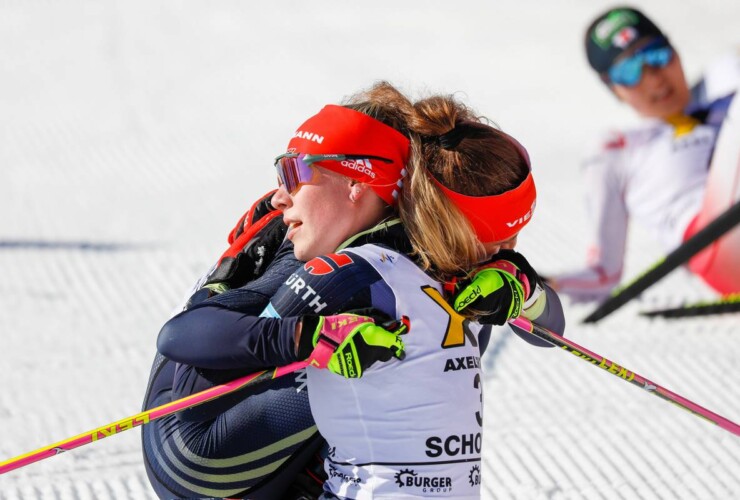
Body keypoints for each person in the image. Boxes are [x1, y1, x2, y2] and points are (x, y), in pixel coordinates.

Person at [154, 82, 565, 499]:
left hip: (239, 450)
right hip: (189, 439)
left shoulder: (409, 250)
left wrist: (521, 286)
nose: (281, 195)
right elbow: (179, 336)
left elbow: (553, 327)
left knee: (428, 332)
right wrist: (309, 337)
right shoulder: (319, 256)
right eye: (286, 170)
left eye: (294, 172)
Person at [549, 6, 740, 301]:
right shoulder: (617, 149)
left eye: (657, 55)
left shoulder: (722, 104)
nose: (654, 78)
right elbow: (603, 272)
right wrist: (537, 285)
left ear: (675, 51)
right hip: (716, 249)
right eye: (630, 71)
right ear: (613, 88)